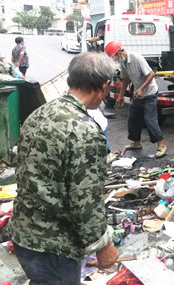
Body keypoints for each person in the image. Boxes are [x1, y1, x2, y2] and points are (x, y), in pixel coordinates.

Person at [8, 52, 119, 284]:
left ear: (70, 80)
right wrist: (103, 245)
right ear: (105, 86)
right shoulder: (85, 131)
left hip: (23, 234)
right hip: (54, 247)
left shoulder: (38, 114)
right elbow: (85, 199)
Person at [104, 40, 167, 158]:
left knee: (149, 119)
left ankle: (161, 145)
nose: (116, 60)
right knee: (132, 117)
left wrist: (141, 89)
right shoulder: (123, 63)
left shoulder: (137, 58)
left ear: (120, 53)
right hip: (138, 93)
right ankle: (136, 143)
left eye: (115, 58)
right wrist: (121, 96)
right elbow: (125, 79)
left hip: (149, 93)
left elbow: (151, 74)